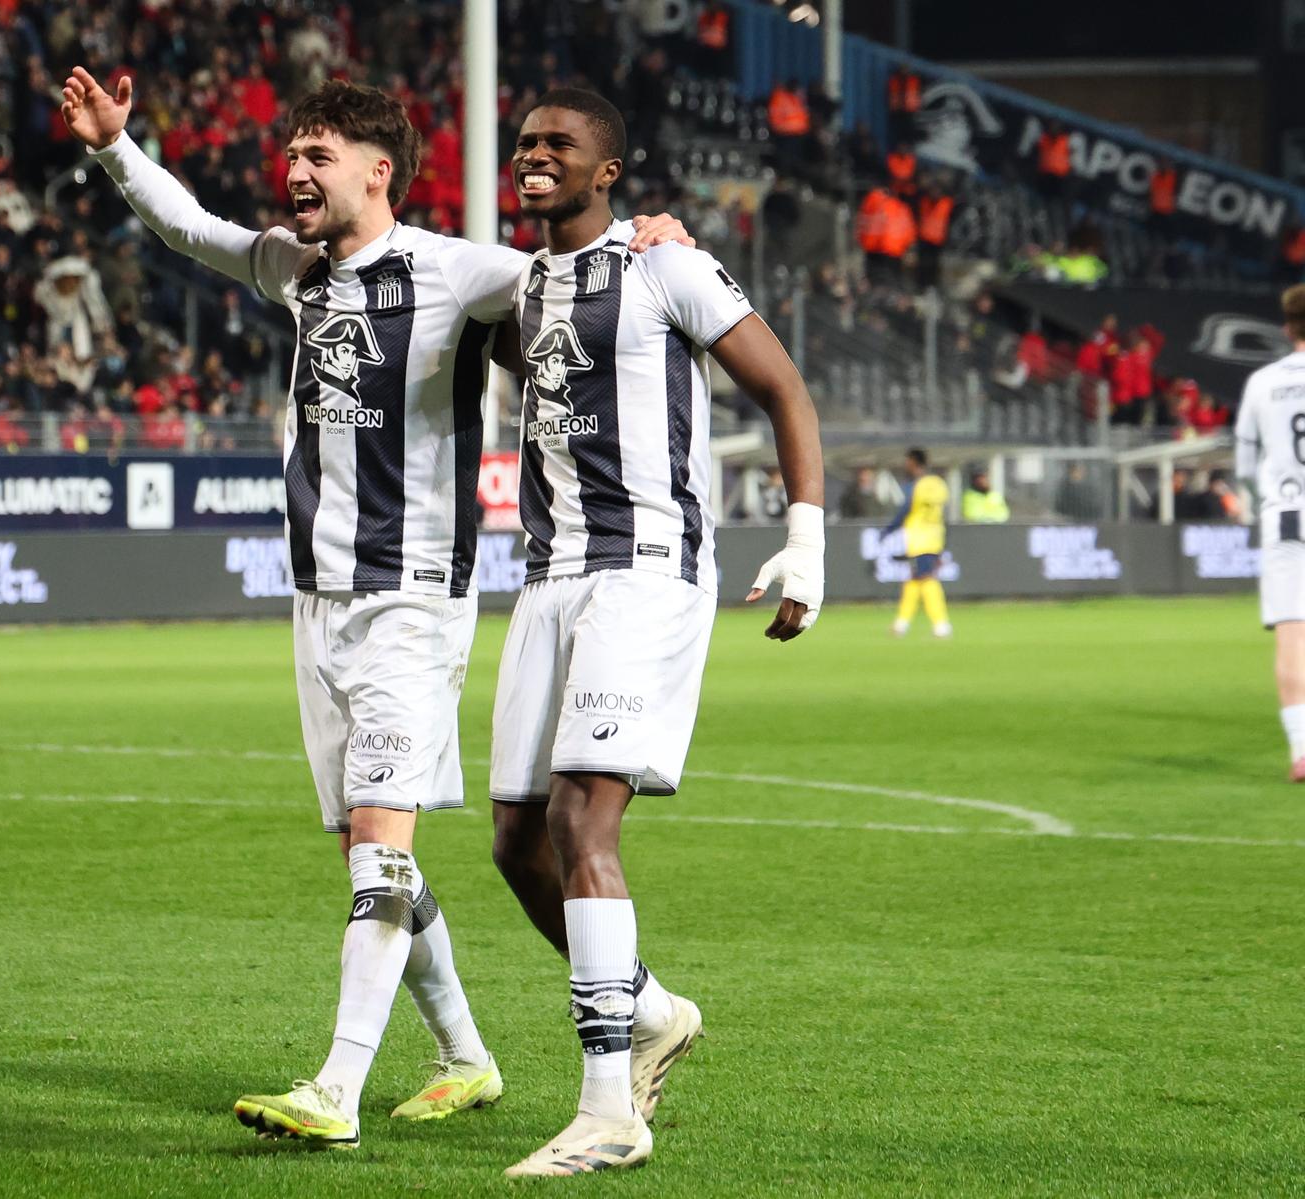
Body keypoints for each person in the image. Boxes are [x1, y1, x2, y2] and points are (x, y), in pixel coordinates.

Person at [64, 62, 694, 1150]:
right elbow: (191, 229)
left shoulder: (461, 272)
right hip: (319, 599)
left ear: (377, 171)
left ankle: (338, 1086)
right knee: (365, 843)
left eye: (315, 156)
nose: (292, 170)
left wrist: (650, 232)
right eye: (291, 151)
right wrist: (116, 146)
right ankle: (475, 1050)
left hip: (415, 596)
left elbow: (575, 264)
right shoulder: (294, 269)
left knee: (380, 851)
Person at [487, 90, 824, 1177]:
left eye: (560, 146)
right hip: (546, 577)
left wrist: (806, 539)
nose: (536, 155)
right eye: (528, 141)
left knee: (587, 819)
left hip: (646, 571)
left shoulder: (663, 266)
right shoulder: (519, 284)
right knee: (514, 840)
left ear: (609, 174)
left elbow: (783, 390)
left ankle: (606, 1109)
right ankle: (651, 1007)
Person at [1235, 288, 1305, 778]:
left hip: (1286, 517)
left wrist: (1248, 501)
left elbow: (1243, 460)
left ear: (1287, 328)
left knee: (1292, 635)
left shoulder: (1262, 382)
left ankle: (1302, 749)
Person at [886, 448, 951, 637]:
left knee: (926, 579)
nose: (905, 465)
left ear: (914, 462)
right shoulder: (938, 483)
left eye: (907, 461)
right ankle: (901, 623)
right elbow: (944, 514)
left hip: (919, 539)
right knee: (915, 579)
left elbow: (906, 509)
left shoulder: (916, 486)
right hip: (935, 537)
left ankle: (941, 624)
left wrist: (888, 530)